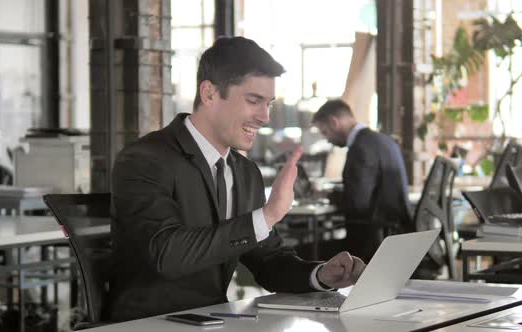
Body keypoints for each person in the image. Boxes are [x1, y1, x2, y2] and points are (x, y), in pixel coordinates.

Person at [108, 37, 365, 322]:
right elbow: (165, 254)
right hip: (147, 324)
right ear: (209, 94)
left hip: (212, 321)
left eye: (268, 103)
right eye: (254, 101)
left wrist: (320, 274)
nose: (265, 116)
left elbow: (267, 261)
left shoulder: (244, 172)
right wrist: (267, 216)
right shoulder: (144, 158)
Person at [312, 99, 413, 263]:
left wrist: (327, 195)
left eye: (325, 132)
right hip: (395, 237)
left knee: (301, 253)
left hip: (371, 245)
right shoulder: (384, 140)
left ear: (334, 122)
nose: (327, 139)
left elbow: (357, 204)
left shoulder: (360, 148)